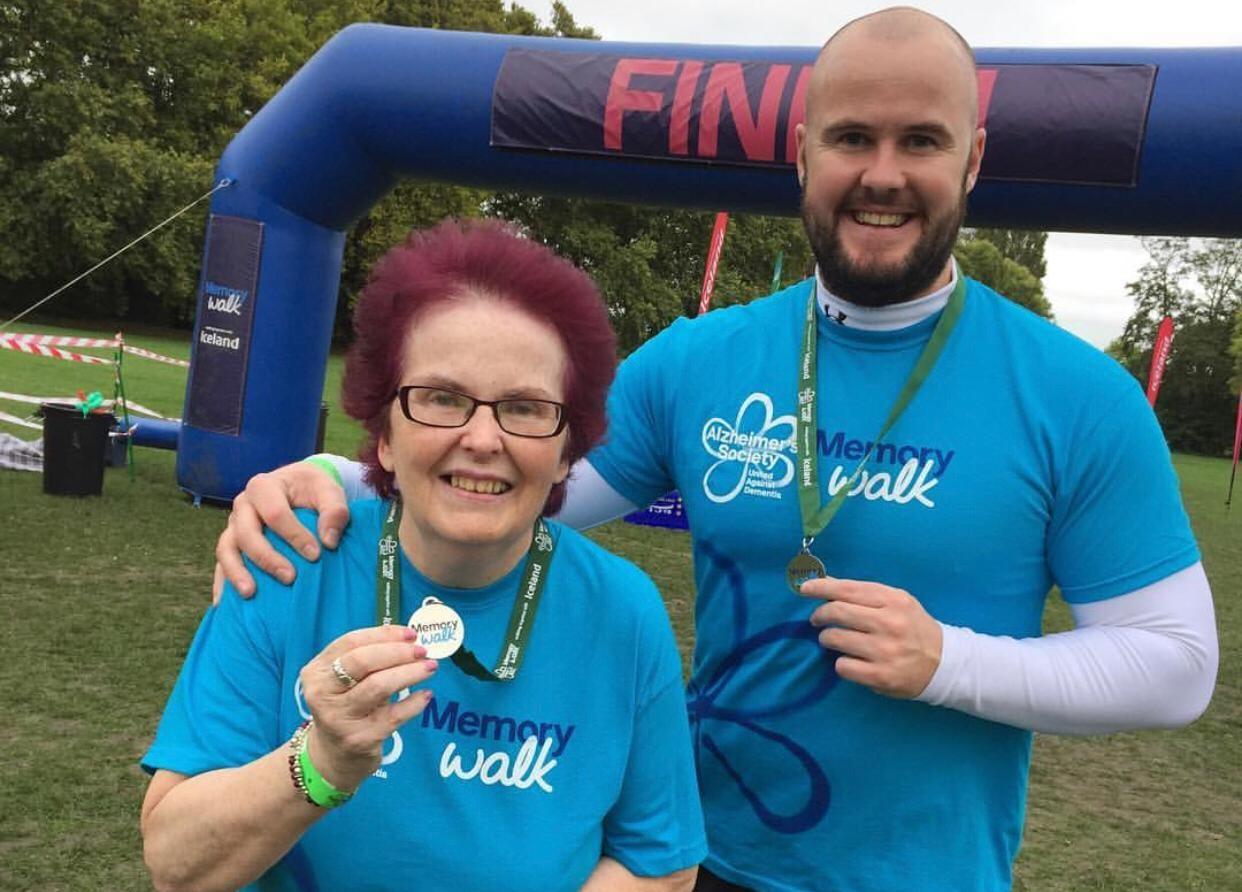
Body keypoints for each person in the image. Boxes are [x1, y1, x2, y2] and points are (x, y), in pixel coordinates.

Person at [212, 8, 1219, 892]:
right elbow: (519, 487)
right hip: (700, 856)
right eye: (851, 137)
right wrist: (332, 475)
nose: (882, 173)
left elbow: (1176, 666)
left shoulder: (1078, 395)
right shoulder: (699, 361)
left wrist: (948, 662)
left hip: (929, 872)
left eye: (921, 140)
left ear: (974, 159)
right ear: (802, 150)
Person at [142, 220, 706, 892]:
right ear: (383, 435)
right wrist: (320, 761)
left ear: (565, 453)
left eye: (525, 409)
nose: (482, 438)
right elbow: (177, 864)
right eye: (442, 398)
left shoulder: (623, 611)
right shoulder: (287, 563)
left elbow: (661, 861)